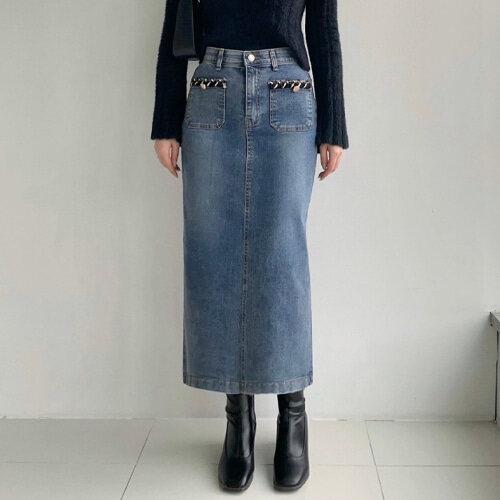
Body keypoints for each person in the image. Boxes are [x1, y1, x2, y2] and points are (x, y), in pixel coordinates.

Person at [151, 0, 349, 491]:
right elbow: (175, 30)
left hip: (288, 93)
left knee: (282, 263)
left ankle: (292, 415)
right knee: (213, 259)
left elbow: (324, 29)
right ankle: (238, 420)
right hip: (212, 93)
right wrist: (165, 121)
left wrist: (334, 126)